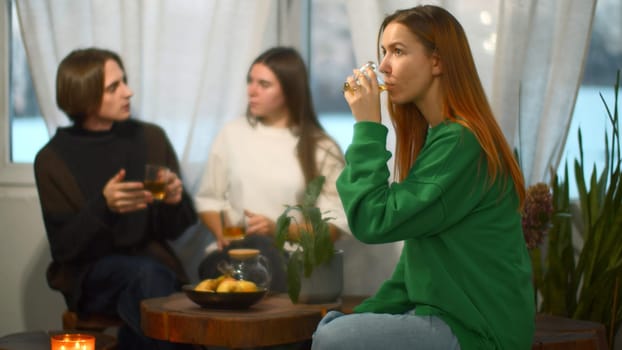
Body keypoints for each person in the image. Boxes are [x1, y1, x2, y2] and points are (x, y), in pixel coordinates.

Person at [312, 5, 535, 350]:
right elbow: (414, 270)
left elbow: (374, 220)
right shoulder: (442, 138)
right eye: (383, 52)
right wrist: (355, 320)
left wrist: (369, 126)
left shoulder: (462, 141)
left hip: (479, 331)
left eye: (398, 51)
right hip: (446, 318)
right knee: (335, 329)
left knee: (330, 336)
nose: (384, 66)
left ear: (437, 61)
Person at [34, 48, 197, 350]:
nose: (128, 92)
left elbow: (177, 228)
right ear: (83, 95)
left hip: (153, 269)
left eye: (125, 81)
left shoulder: (150, 138)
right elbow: (65, 249)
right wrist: (103, 207)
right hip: (91, 275)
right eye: (114, 87)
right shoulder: (51, 159)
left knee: (153, 282)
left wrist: (175, 200)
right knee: (149, 279)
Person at [194, 46, 348, 292]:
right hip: (231, 258)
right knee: (243, 253)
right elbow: (209, 200)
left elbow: (332, 228)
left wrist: (278, 230)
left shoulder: (321, 147)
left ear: (290, 91)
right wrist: (222, 232)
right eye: (250, 81)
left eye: (264, 84)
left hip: (292, 263)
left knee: (262, 248)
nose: (251, 91)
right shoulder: (232, 134)